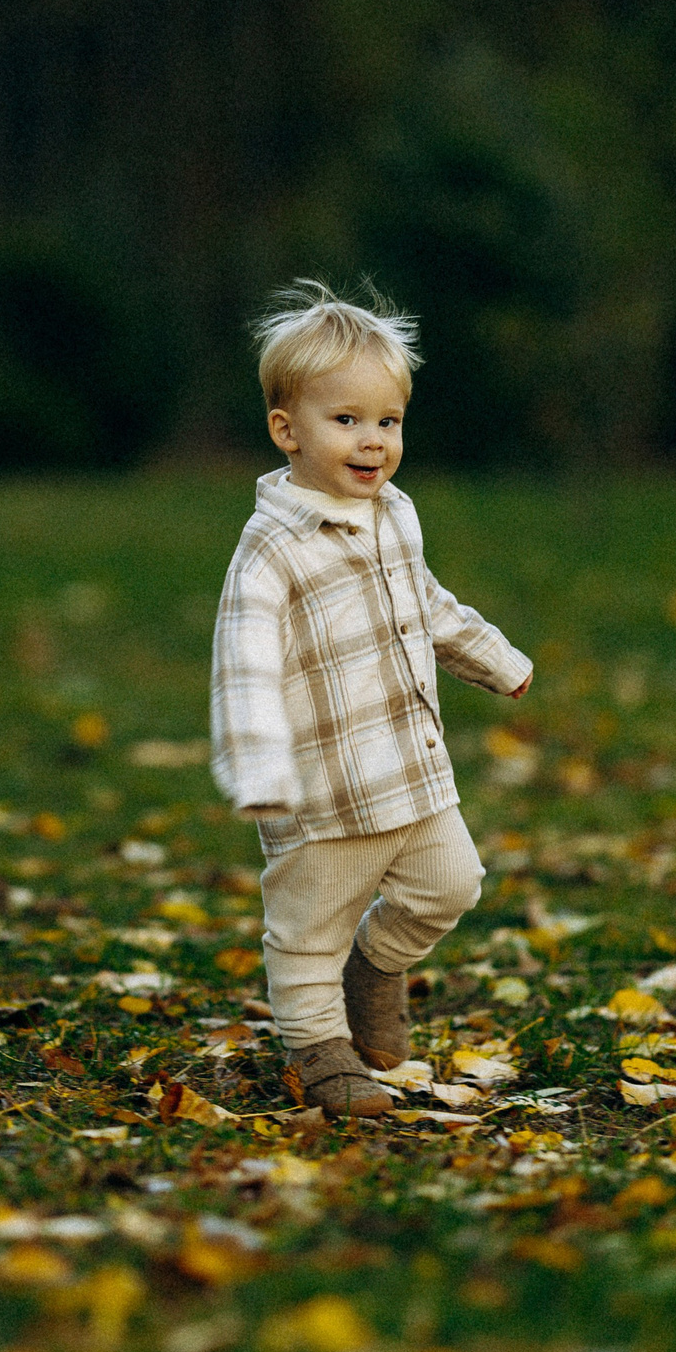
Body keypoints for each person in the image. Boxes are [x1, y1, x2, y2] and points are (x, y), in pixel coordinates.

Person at [209, 283, 535, 1118]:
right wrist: (256, 763)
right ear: (288, 430)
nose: (373, 442)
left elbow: (422, 604)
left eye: (387, 421)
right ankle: (320, 1049)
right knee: (307, 930)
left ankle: (377, 969)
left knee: (452, 882)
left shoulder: (393, 515)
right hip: (320, 787)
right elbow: (241, 661)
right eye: (345, 420)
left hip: (407, 765)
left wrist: (492, 658)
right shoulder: (272, 552)